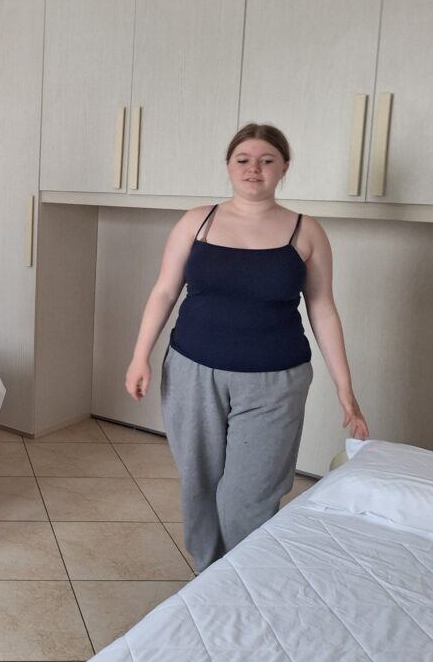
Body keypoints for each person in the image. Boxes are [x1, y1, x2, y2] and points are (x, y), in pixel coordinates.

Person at [124, 123, 369, 572]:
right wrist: (140, 356)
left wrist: (344, 387)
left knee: (250, 492)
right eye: (244, 159)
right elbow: (164, 291)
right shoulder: (196, 221)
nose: (254, 168)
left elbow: (323, 310)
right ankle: (208, 571)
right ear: (228, 166)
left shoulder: (306, 231)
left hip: (276, 380)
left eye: (266, 160)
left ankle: (243, 577)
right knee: (199, 481)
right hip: (192, 371)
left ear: (284, 168)